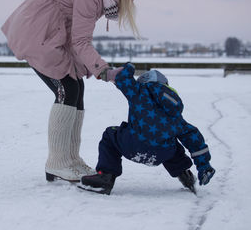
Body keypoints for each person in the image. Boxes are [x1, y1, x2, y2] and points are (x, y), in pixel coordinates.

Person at [1, 0, 150, 182]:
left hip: (52, 31)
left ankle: (70, 159)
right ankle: (57, 163)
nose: (132, 2)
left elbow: (76, 32)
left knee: (76, 87)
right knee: (67, 89)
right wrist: (104, 71)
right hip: (38, 32)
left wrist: (94, 67)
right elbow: (81, 41)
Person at [80, 63, 216, 194]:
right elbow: (194, 139)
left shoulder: (139, 91)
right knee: (171, 144)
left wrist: (128, 67)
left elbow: (122, 79)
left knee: (110, 134)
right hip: (162, 154)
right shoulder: (174, 113)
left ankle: (106, 177)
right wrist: (204, 166)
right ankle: (185, 175)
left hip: (133, 145)